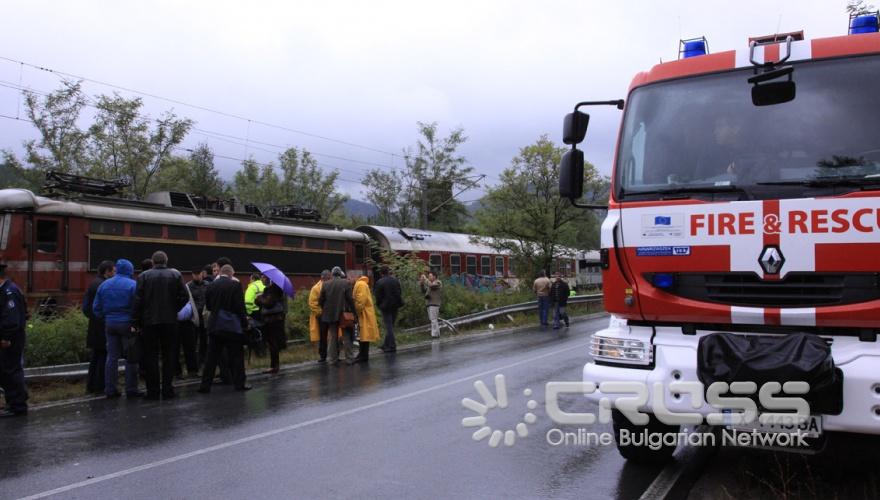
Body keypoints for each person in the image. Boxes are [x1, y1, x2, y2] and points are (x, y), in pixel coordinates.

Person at [131, 251, 188, 400]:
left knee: (151, 356)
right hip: (170, 321)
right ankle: (168, 390)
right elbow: (185, 296)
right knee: (169, 355)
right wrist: (174, 308)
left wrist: (135, 321)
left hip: (149, 321)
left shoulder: (143, 276)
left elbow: (138, 300)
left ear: (152, 261)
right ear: (166, 261)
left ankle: (153, 391)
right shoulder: (175, 275)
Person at [92, 259, 141, 398]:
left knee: (111, 358)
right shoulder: (133, 285)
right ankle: (131, 389)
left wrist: (106, 318)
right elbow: (137, 307)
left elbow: (96, 308)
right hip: (127, 325)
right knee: (130, 357)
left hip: (110, 324)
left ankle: (110, 390)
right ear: (130, 270)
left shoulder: (104, 285)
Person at [198, 264, 250, 393]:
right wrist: (245, 324)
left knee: (211, 357)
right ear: (232, 274)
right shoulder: (235, 285)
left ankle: (205, 386)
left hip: (214, 325)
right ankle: (239, 384)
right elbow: (240, 308)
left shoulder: (211, 285)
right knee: (237, 356)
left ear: (220, 273)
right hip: (231, 326)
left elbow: (208, 306)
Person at [0, 263, 28, 417]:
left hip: (11, 338)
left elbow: (11, 320)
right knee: (6, 370)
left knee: (11, 370)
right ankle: (13, 401)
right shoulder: (6, 290)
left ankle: (18, 405)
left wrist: (5, 337)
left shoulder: (9, 292)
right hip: (9, 337)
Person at [83, 260, 114, 394]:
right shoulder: (104, 285)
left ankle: (91, 385)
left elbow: (85, 308)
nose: (115, 273)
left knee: (95, 357)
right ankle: (99, 385)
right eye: (113, 271)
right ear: (107, 272)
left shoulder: (93, 283)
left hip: (94, 325)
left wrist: (93, 318)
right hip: (102, 326)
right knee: (103, 356)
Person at [319, 267, 355, 365]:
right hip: (344, 314)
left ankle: (332, 359)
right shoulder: (346, 283)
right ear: (340, 274)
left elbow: (320, 300)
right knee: (346, 336)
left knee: (332, 337)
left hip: (330, 314)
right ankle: (349, 358)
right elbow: (350, 299)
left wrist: (325, 309)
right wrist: (354, 312)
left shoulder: (325, 284)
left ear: (332, 274)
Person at [256, 281, 287, 374]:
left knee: (272, 343)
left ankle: (274, 366)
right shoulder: (279, 289)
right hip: (276, 320)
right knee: (273, 343)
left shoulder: (273, 290)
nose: (263, 279)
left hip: (271, 321)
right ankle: (274, 366)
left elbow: (268, 303)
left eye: (264, 277)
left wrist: (259, 298)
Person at [374, 267, 402, 353]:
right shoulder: (395, 281)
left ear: (381, 273)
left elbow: (377, 295)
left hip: (385, 307)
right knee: (390, 326)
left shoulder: (379, 282)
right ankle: (386, 344)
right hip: (395, 306)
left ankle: (392, 346)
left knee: (388, 326)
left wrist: (379, 305)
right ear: (388, 272)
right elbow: (399, 292)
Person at [352, 274, 379, 363]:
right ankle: (362, 354)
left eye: (350, 277)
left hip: (364, 314)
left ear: (356, 277)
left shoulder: (360, 284)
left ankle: (363, 355)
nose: (349, 279)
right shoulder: (362, 284)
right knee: (363, 335)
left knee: (364, 335)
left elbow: (360, 300)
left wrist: (356, 311)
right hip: (364, 313)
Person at [188, 267, 209, 367]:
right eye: (194, 274)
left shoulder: (207, 285)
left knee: (204, 340)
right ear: (192, 275)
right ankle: (195, 364)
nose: (196, 275)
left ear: (202, 274)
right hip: (194, 317)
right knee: (193, 341)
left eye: (198, 273)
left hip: (205, 317)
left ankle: (203, 360)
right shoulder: (188, 286)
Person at [309, 270, 331, 362]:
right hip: (322, 316)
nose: (329, 278)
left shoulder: (330, 286)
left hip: (331, 314)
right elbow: (312, 303)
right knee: (323, 336)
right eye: (328, 277)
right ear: (322, 277)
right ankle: (323, 355)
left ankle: (334, 353)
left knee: (333, 335)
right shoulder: (316, 288)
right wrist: (321, 313)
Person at [420, 271, 443, 339]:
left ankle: (434, 335)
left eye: (430, 276)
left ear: (434, 277)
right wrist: (421, 283)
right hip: (429, 303)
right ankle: (437, 334)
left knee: (433, 319)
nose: (429, 277)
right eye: (428, 276)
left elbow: (431, 285)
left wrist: (425, 279)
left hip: (435, 303)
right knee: (433, 319)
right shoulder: (429, 284)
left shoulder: (438, 282)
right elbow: (423, 291)